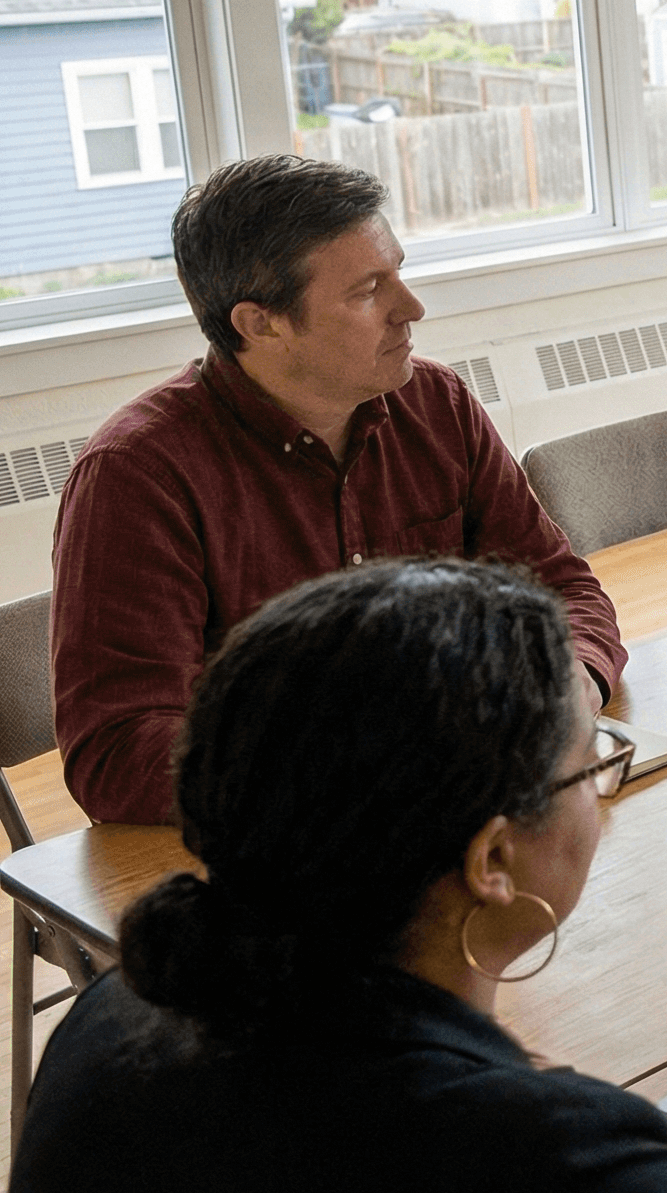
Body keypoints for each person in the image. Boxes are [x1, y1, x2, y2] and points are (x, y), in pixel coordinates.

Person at [2, 559, 667, 1193]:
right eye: (594, 758)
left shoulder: (118, 1010)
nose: (602, 789)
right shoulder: (550, 1161)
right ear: (489, 859)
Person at [49, 155, 625, 826]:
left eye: (399, 272)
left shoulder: (435, 404)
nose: (411, 308)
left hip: (457, 807)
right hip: (279, 849)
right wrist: (360, 772)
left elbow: (561, 588)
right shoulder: (137, 475)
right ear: (259, 323)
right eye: (367, 292)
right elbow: (119, 749)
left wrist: (571, 685)